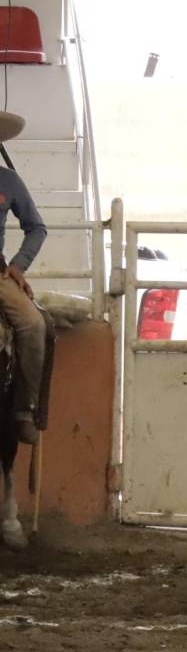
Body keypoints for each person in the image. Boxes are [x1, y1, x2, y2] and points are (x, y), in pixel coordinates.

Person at [0, 110, 48, 444]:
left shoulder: (8, 182)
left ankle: (24, 408)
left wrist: (18, 265)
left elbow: (36, 227)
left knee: (34, 324)